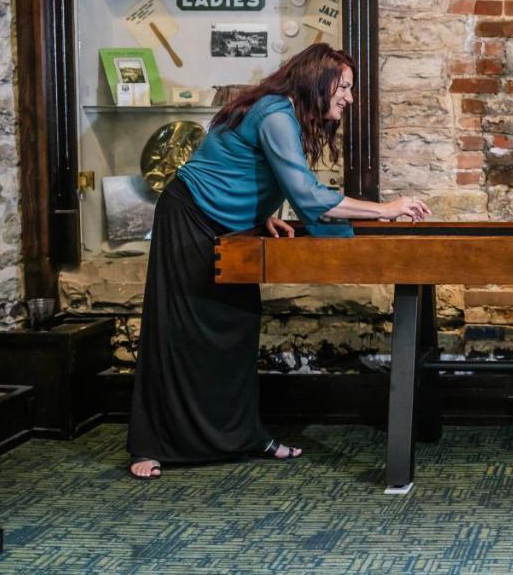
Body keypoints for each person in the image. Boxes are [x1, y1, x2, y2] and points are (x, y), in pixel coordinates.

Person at [128, 44, 431, 479]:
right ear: (317, 81)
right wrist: (385, 208)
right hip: (190, 219)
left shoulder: (284, 114)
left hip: (232, 228)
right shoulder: (275, 112)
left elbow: (245, 168)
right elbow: (307, 194)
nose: (348, 97)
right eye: (343, 87)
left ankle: (244, 436)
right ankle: (150, 445)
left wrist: (261, 213)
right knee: (177, 332)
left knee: (236, 330)